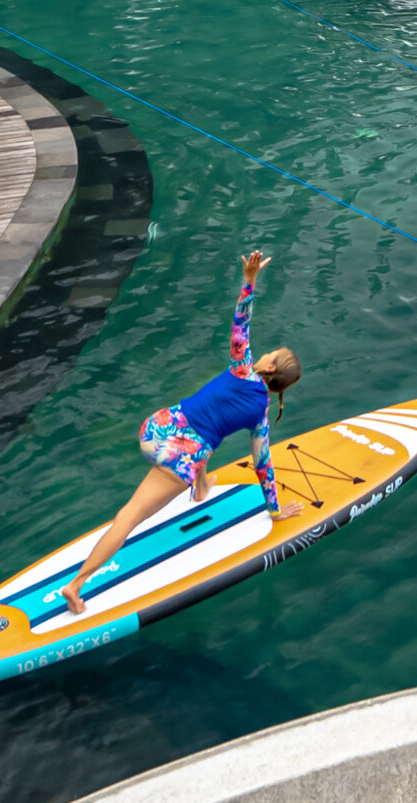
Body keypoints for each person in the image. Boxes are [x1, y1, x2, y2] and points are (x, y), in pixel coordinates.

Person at [62, 251, 303, 614]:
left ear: (270, 365)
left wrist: (249, 280)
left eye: (272, 352)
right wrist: (275, 511)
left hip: (154, 428)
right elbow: (263, 465)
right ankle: (76, 585)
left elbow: (241, 321)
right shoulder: (260, 416)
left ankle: (201, 486)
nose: (267, 350)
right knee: (131, 515)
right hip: (178, 457)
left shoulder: (241, 368)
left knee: (203, 438)